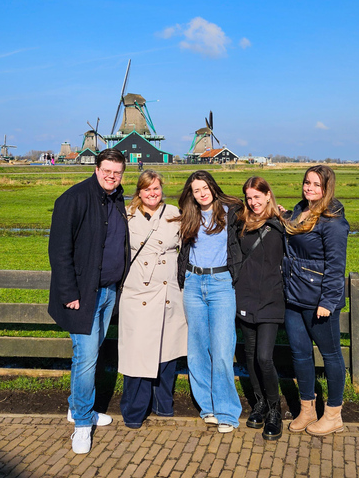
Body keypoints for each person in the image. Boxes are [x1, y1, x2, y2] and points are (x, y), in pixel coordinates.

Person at [48, 148, 129, 454]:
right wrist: (69, 294)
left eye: (117, 172)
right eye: (107, 171)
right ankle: (82, 424)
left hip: (108, 291)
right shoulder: (74, 198)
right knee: (87, 358)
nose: (112, 176)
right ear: (96, 169)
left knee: (90, 353)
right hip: (83, 295)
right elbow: (59, 250)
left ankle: (75, 407)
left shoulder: (116, 198)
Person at [282, 165, 349, 436]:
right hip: (293, 296)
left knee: (331, 354)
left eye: (316, 185)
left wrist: (328, 301)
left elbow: (336, 265)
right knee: (300, 354)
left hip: (317, 299)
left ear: (327, 188)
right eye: (307, 182)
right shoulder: (299, 211)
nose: (309, 188)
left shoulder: (333, 222)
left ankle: (333, 414)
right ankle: (307, 409)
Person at [175, 170, 243, 433]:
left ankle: (227, 412)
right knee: (197, 349)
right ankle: (208, 407)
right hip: (193, 284)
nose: (201, 193)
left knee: (223, 349)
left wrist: (279, 211)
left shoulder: (232, 211)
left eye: (205, 187)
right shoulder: (188, 215)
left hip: (220, 284)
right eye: (196, 190)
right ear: (191, 194)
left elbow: (260, 213)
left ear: (213, 187)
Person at [118, 170, 187, 428]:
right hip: (138, 292)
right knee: (138, 353)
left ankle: (162, 404)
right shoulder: (126, 215)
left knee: (167, 351)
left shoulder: (174, 214)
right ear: (139, 191)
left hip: (168, 292)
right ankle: (135, 411)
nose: (152, 193)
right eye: (147, 189)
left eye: (156, 188)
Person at [235, 176, 286, 440]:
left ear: (268, 195)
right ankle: (260, 403)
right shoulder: (241, 222)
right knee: (251, 355)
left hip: (271, 298)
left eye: (258, 196)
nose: (253, 202)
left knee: (265, 357)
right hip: (245, 297)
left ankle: (276, 408)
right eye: (249, 197)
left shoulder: (282, 223)